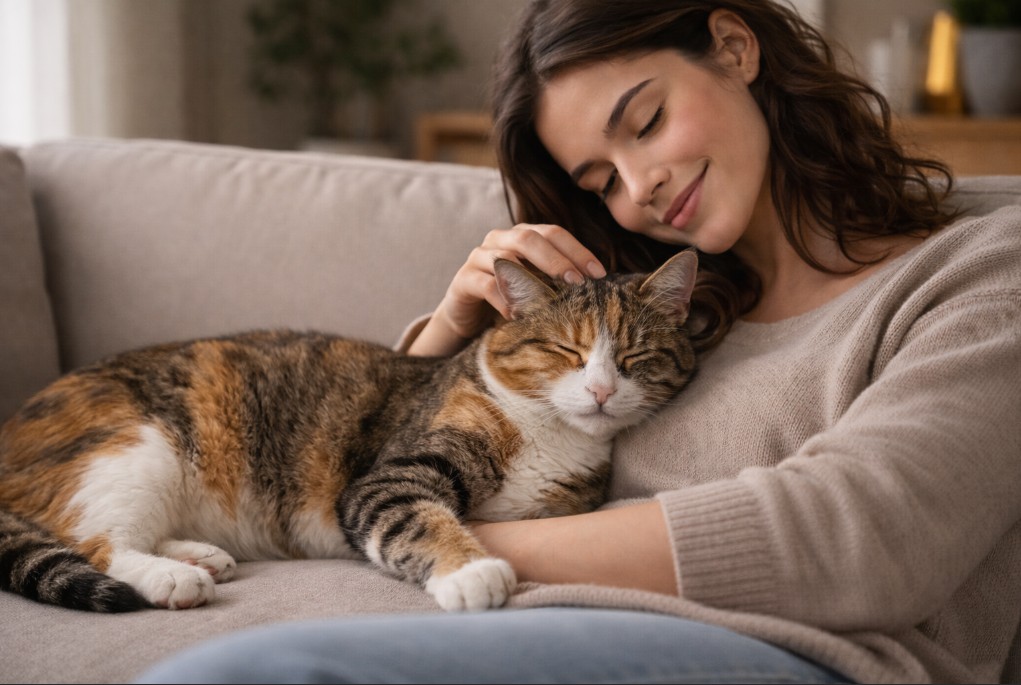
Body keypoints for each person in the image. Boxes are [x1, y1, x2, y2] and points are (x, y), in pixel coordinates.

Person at [137, 1, 1021, 683]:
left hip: (800, 653)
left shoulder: (981, 269)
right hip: (536, 614)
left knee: (250, 675)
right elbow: (384, 451)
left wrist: (445, 534)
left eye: (643, 122)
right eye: (599, 179)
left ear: (733, 47)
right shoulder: (673, 311)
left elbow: (856, 537)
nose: (639, 187)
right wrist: (453, 333)